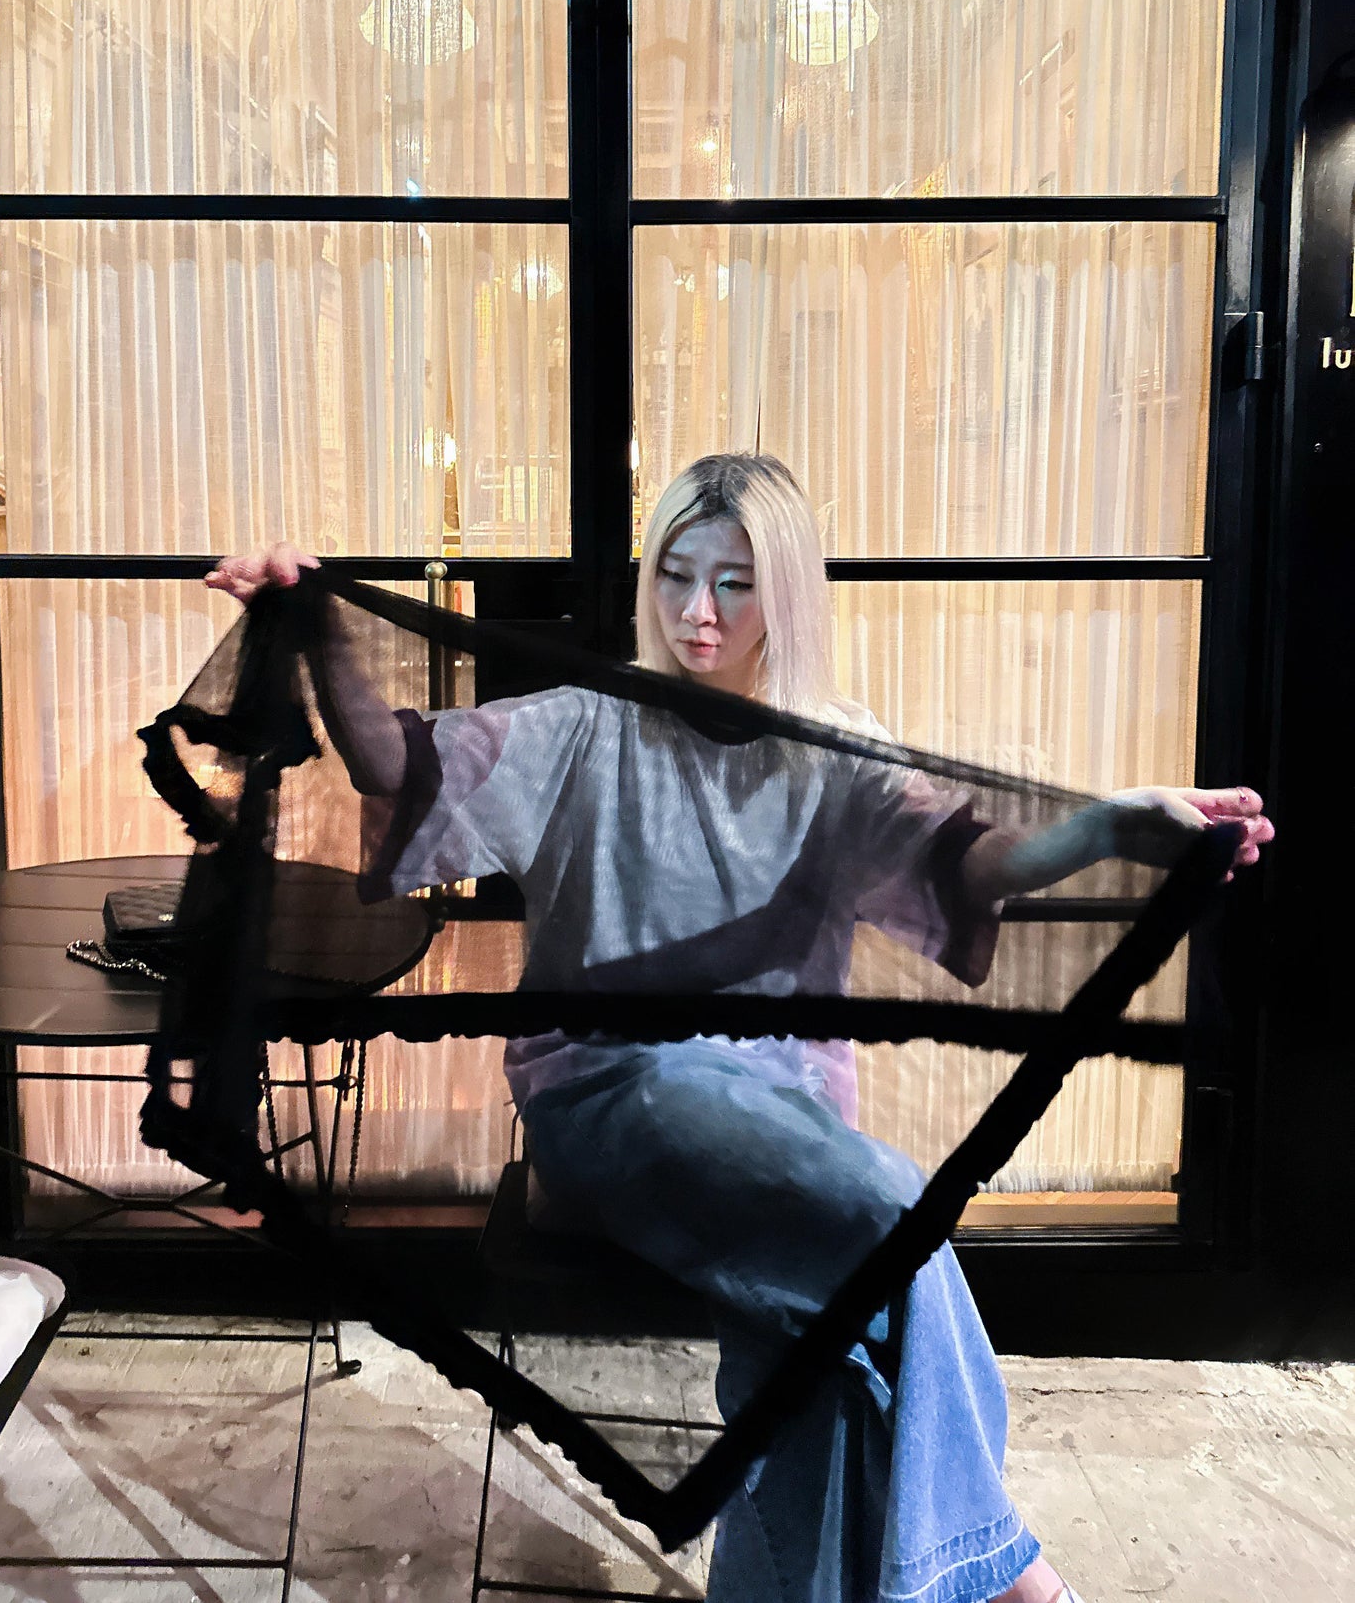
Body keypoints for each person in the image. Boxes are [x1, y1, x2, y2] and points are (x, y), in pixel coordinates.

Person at [208, 452, 1271, 1603]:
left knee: (808, 1361)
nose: (696, 612)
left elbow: (972, 862)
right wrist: (317, 624)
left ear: (786, 595)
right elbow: (394, 764)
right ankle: (999, 1571)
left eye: (733, 583)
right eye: (674, 575)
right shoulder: (587, 724)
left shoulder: (832, 750)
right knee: (891, 1216)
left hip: (785, 1118)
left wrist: (1105, 827)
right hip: (612, 1092)